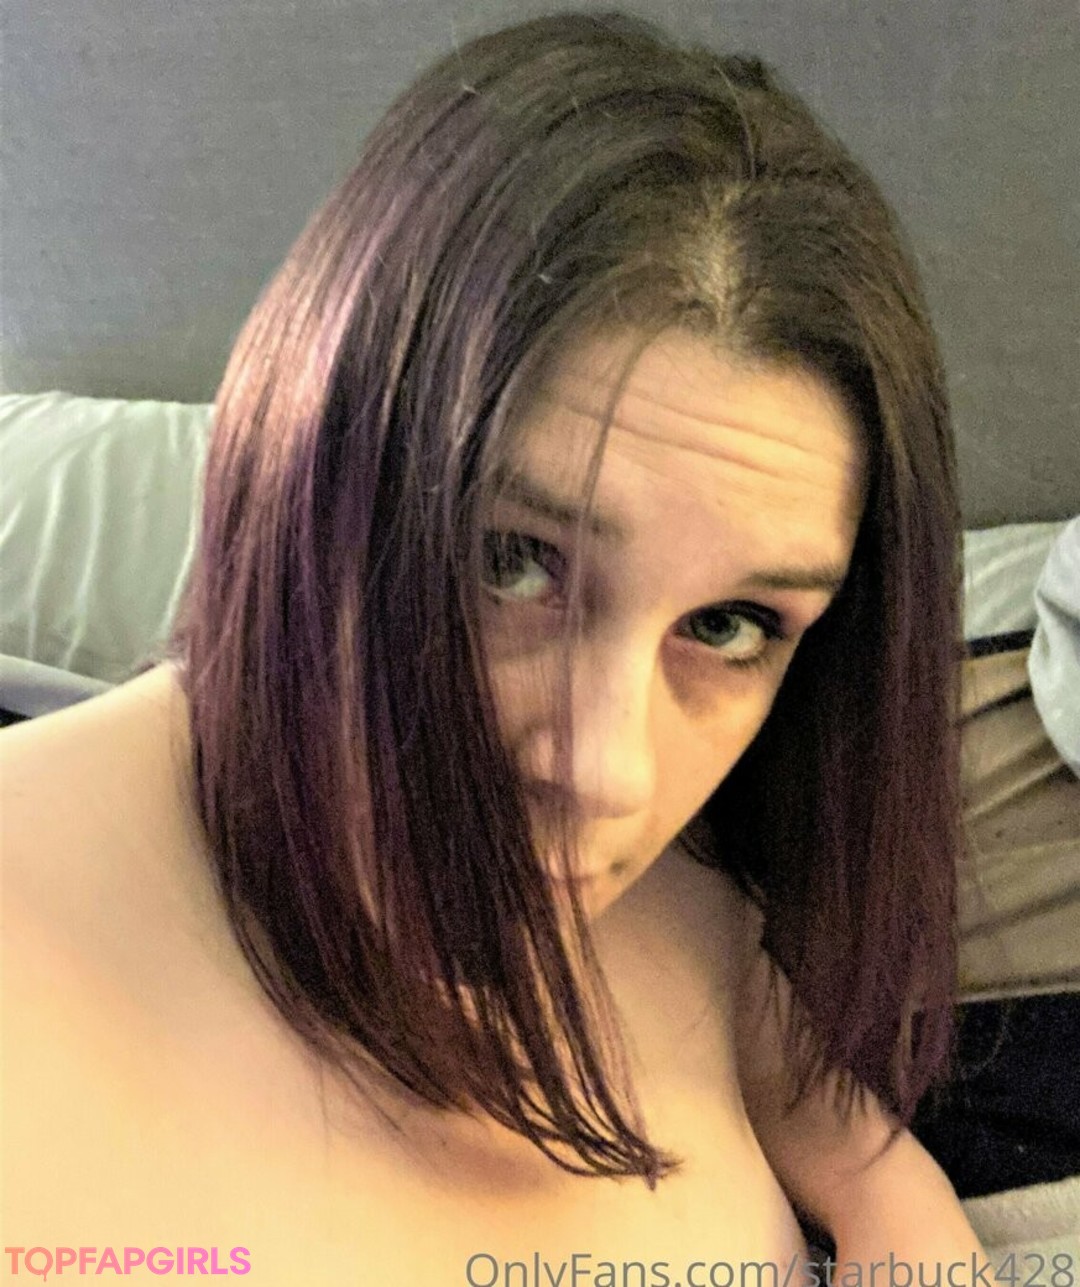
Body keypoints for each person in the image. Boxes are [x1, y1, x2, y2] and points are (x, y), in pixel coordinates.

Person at [2, 10, 999, 1281]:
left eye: (728, 624)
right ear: (311, 471)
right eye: (514, 561)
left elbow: (857, 1152)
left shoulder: (688, 893)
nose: (608, 773)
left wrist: (898, 1213)